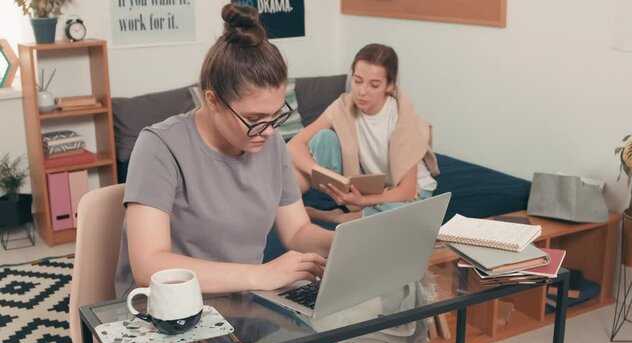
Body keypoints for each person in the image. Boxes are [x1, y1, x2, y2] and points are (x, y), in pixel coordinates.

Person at [114, 4, 333, 299]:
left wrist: (344, 244)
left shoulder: (273, 145)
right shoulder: (159, 147)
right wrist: (262, 275)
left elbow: (296, 233)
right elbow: (149, 265)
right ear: (213, 101)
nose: (268, 130)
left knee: (333, 341)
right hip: (169, 311)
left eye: (275, 116)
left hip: (246, 301)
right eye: (254, 119)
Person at [287, 44, 440, 223]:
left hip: (413, 193)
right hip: (371, 183)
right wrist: (319, 171)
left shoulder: (402, 119)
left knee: (395, 217)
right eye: (357, 81)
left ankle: (337, 217)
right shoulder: (343, 106)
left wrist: (362, 200)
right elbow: (294, 145)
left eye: (374, 85)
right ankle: (282, 205)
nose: (362, 91)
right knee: (322, 138)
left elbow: (407, 190)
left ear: (390, 86)